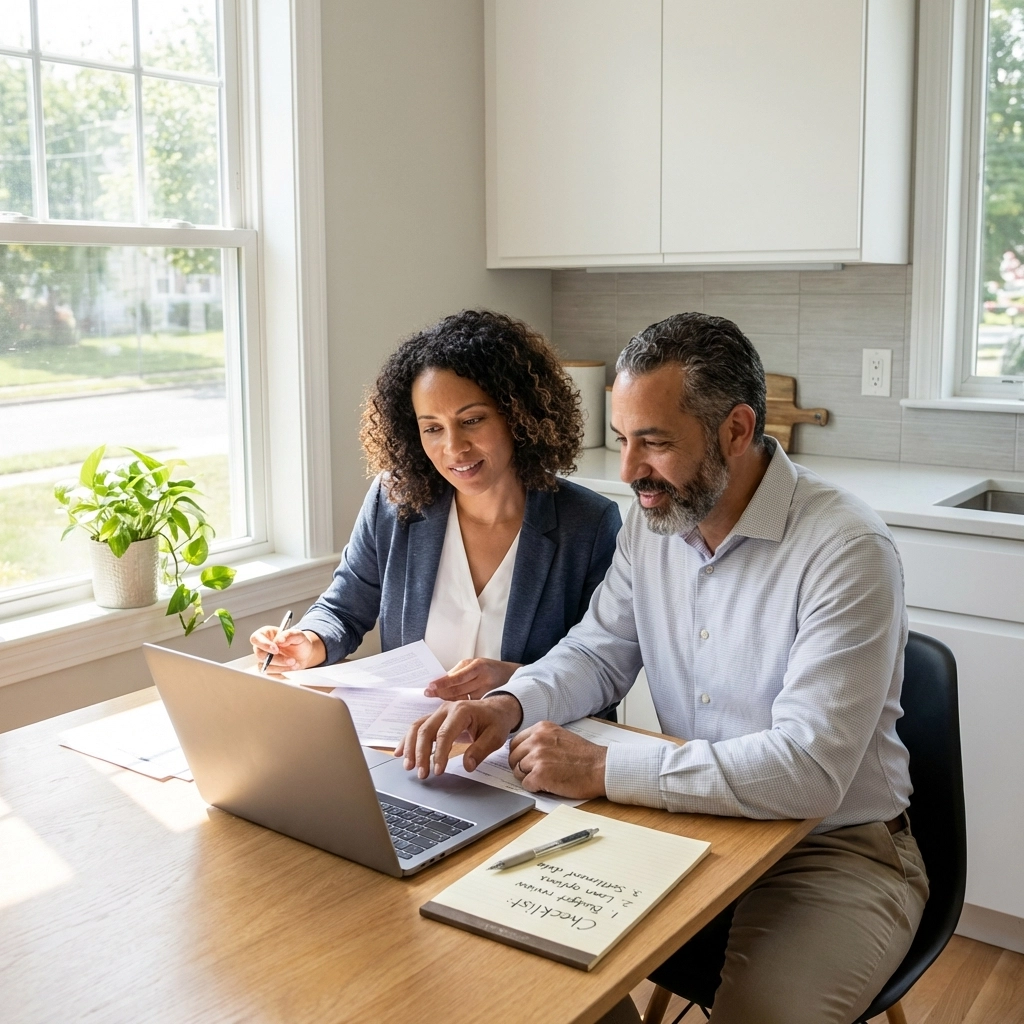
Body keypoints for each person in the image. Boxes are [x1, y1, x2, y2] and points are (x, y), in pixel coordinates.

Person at [398, 312, 929, 1024]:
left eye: (654, 442)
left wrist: (603, 771)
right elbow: (595, 652)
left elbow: (808, 771)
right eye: (623, 440)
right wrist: (510, 704)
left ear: (736, 431)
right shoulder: (656, 527)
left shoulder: (845, 549)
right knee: (526, 966)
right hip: (690, 826)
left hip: (832, 850)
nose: (628, 471)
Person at [250, 309, 621, 702]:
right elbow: (343, 609)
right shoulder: (393, 502)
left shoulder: (588, 524)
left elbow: (603, 669)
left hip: (525, 750)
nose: (453, 448)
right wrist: (308, 641)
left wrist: (516, 679)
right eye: (432, 428)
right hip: (411, 746)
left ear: (519, 415)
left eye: (472, 420)